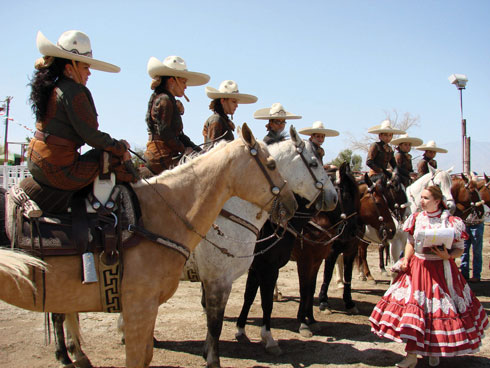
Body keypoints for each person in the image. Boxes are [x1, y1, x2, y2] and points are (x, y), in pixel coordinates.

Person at [370, 185, 488, 367]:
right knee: (413, 312)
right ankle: (411, 356)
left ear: (437, 201)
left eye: (426, 198)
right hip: (418, 269)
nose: (422, 201)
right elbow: (410, 242)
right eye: (422, 197)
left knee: (437, 313)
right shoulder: (416, 218)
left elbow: (460, 249)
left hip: (441, 271)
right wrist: (406, 260)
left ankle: (434, 351)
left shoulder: (451, 221)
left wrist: (447, 256)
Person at [28, 30, 137, 192]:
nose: (89, 72)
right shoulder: (73, 90)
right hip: (56, 168)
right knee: (113, 159)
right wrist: (120, 147)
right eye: (85, 67)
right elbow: (91, 136)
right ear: (70, 68)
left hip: (36, 159)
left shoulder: (54, 87)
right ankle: (114, 213)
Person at [144, 56, 210, 174]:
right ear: (172, 81)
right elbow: (165, 133)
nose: (186, 86)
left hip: (166, 155)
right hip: (162, 158)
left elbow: (179, 135)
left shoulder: (166, 99)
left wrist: (199, 151)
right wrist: (184, 149)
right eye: (184, 82)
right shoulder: (165, 100)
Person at [460, 173, 485, 283]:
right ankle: (464, 273)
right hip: (467, 225)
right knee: (464, 250)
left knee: (476, 251)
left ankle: (476, 274)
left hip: (476, 224)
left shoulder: (476, 194)